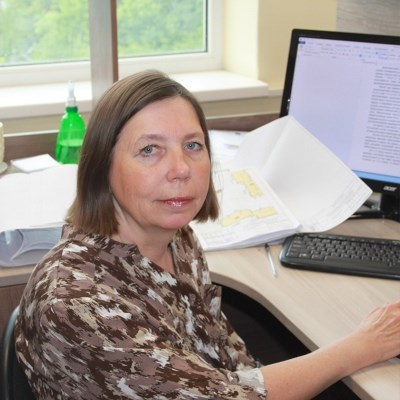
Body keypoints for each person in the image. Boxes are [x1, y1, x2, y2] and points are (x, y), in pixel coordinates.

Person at [15, 70, 400, 400]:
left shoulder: (177, 240)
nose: (181, 168)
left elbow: (225, 360)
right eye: (149, 149)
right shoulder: (78, 304)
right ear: (102, 166)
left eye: (193, 145)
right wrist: (359, 346)